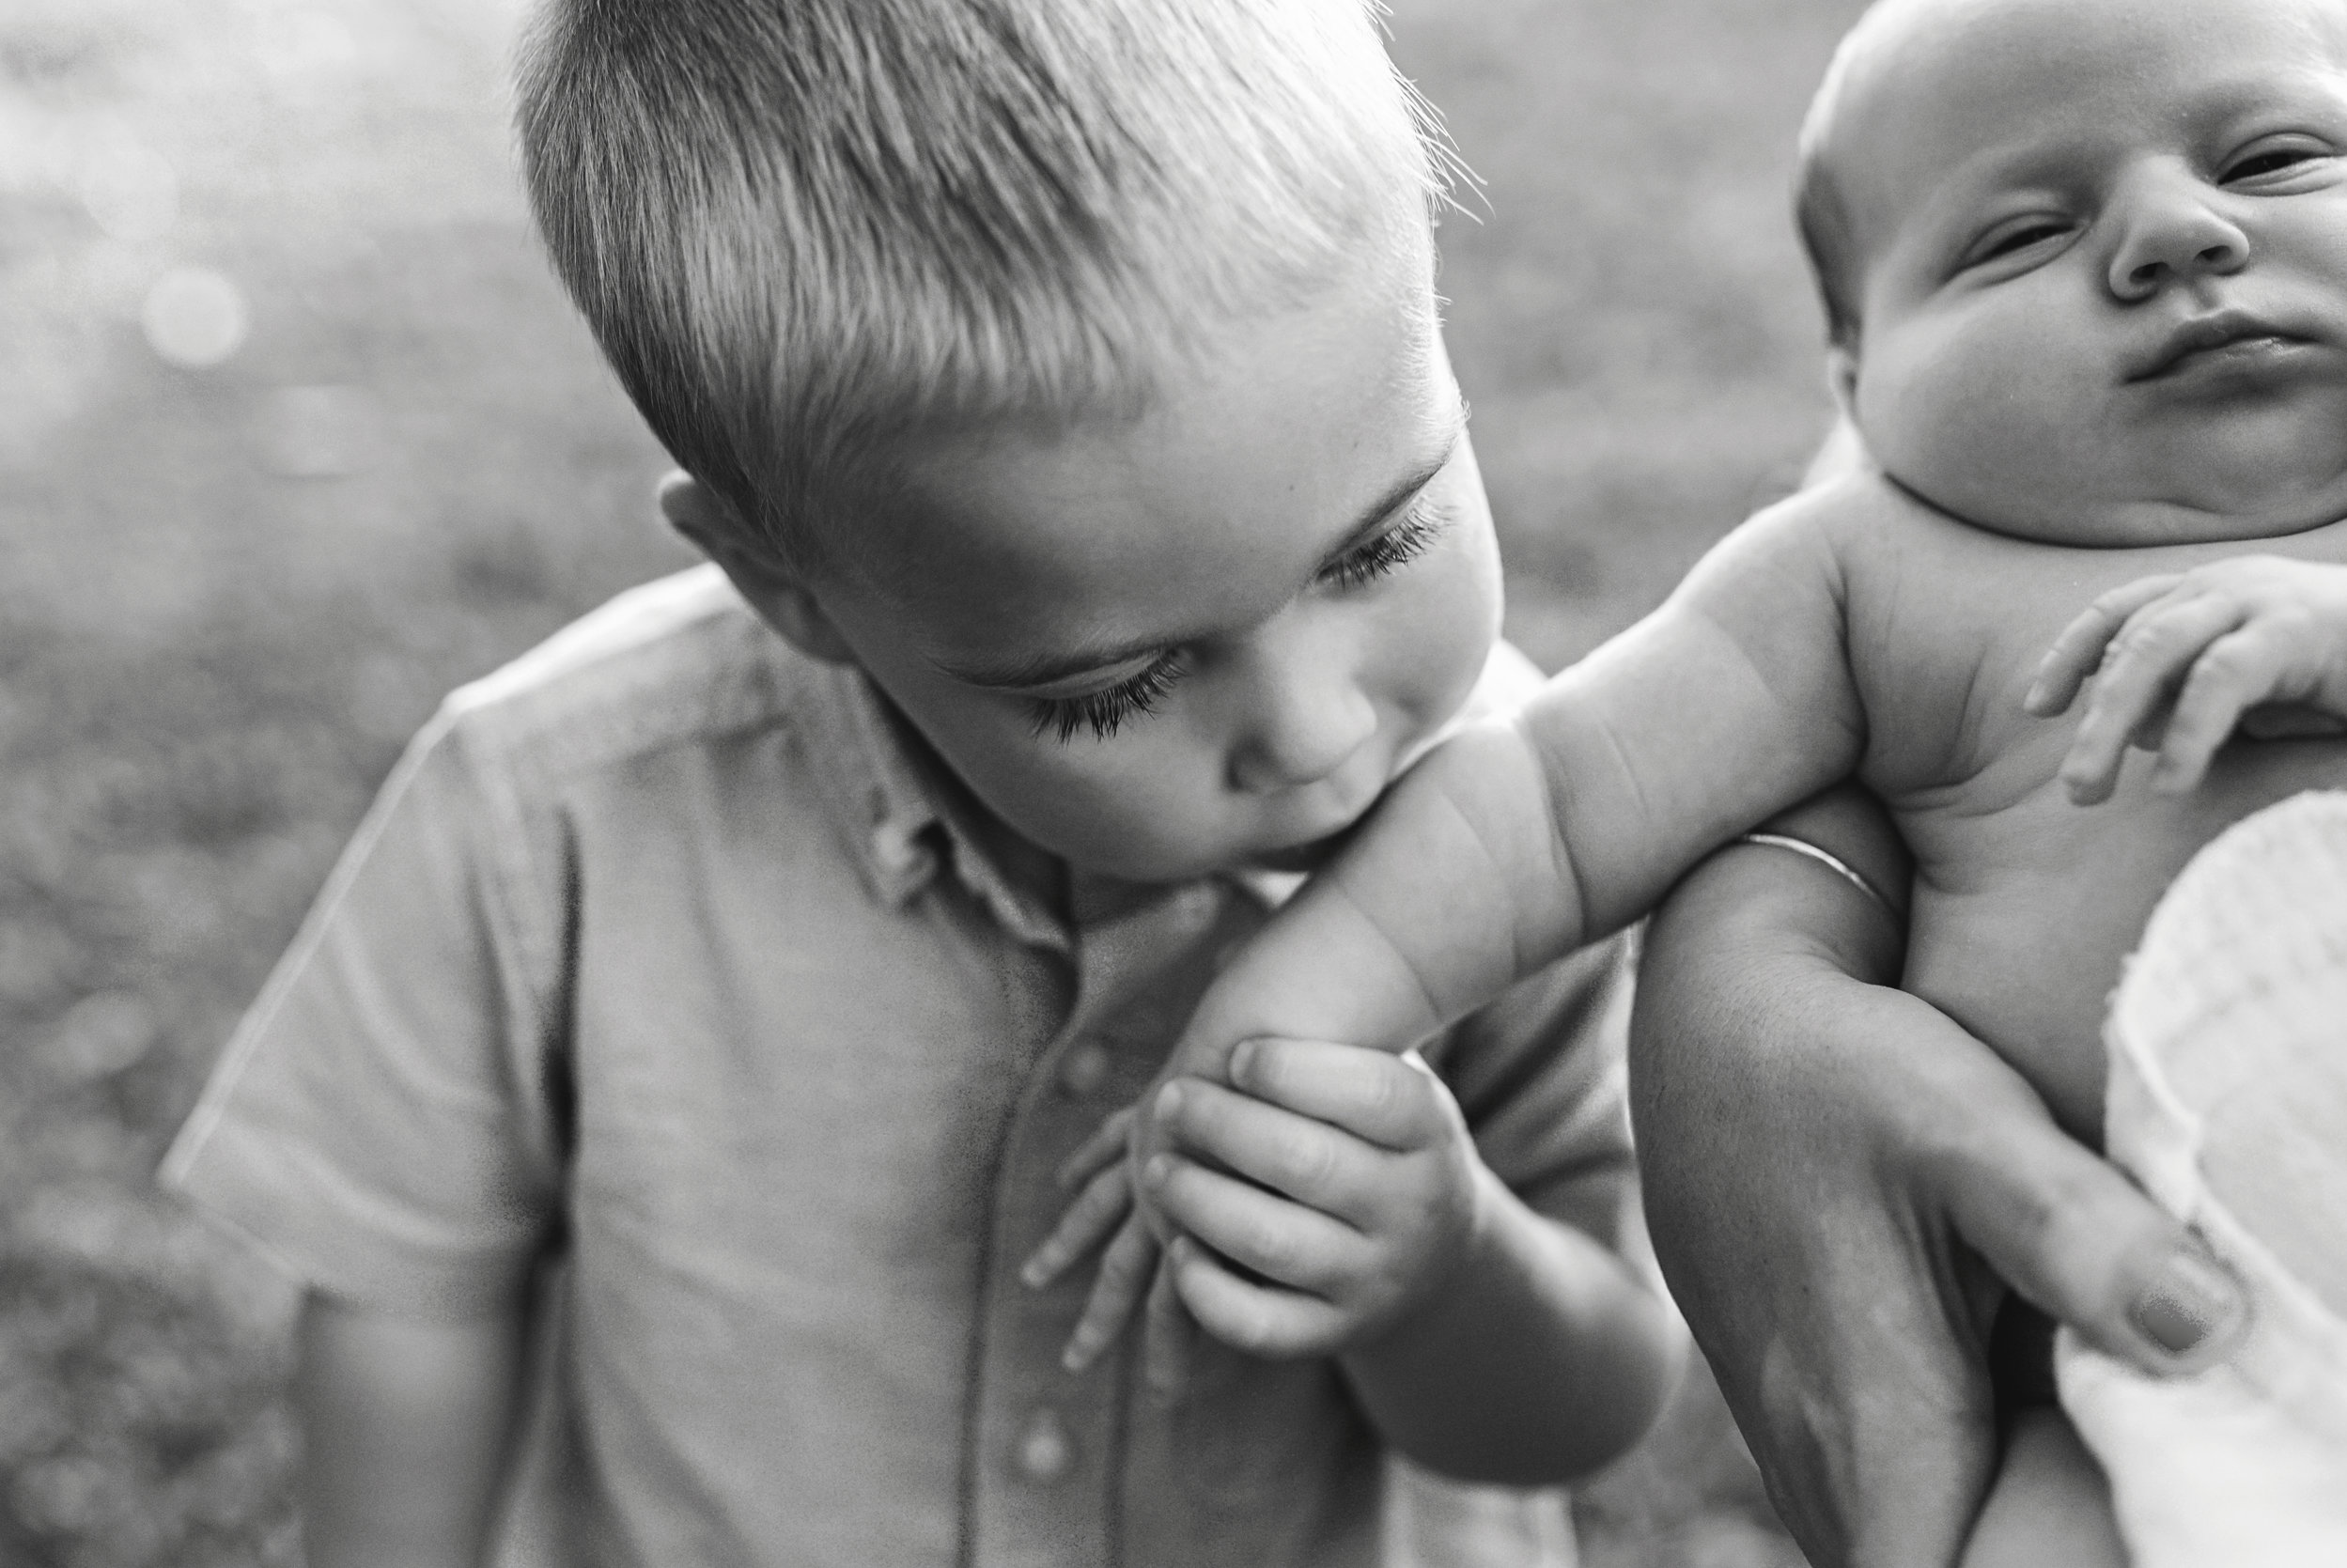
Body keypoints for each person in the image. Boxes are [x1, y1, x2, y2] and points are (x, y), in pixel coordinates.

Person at [157, 3, 1690, 1564]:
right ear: (796, 589)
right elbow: (411, 1300)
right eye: (1120, 687)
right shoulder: (550, 821)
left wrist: (1443, 1273)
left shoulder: (1531, 828)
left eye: (1382, 542)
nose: (1312, 730)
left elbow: (1596, 1400)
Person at [1039, 0, 2347, 1560]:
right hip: (2187, 1382)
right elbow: (1546, 805)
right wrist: (1277, 1035)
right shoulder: (1872, 576)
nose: (2173, 232)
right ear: (1858, 379)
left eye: (2277, 158)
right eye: (2016, 238)